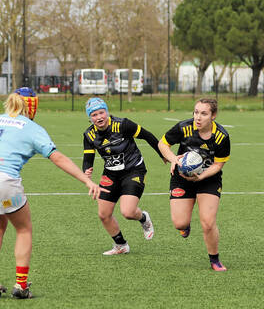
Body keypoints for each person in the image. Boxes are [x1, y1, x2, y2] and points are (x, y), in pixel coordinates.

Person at [0, 87, 103, 299]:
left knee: (0, 225)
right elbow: (58, 158)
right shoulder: (32, 128)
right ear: (32, 105)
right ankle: (21, 286)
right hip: (6, 182)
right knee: (23, 229)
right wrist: (86, 180)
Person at [82, 97, 164, 255]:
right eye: (94, 115)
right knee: (103, 214)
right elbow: (88, 157)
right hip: (111, 174)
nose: (99, 117)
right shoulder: (89, 134)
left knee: (128, 212)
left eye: (101, 112)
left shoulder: (123, 124)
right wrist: (87, 170)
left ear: (107, 112)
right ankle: (121, 245)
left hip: (133, 170)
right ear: (89, 117)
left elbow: (147, 135)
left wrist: (162, 154)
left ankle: (143, 218)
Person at [158, 98, 230, 271]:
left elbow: (218, 165)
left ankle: (215, 259)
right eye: (196, 112)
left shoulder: (221, 137)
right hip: (181, 177)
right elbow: (163, 144)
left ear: (213, 116)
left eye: (203, 113)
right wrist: (174, 159)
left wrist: (201, 176)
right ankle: (185, 226)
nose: (198, 117)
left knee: (208, 222)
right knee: (179, 223)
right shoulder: (183, 128)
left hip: (208, 178)